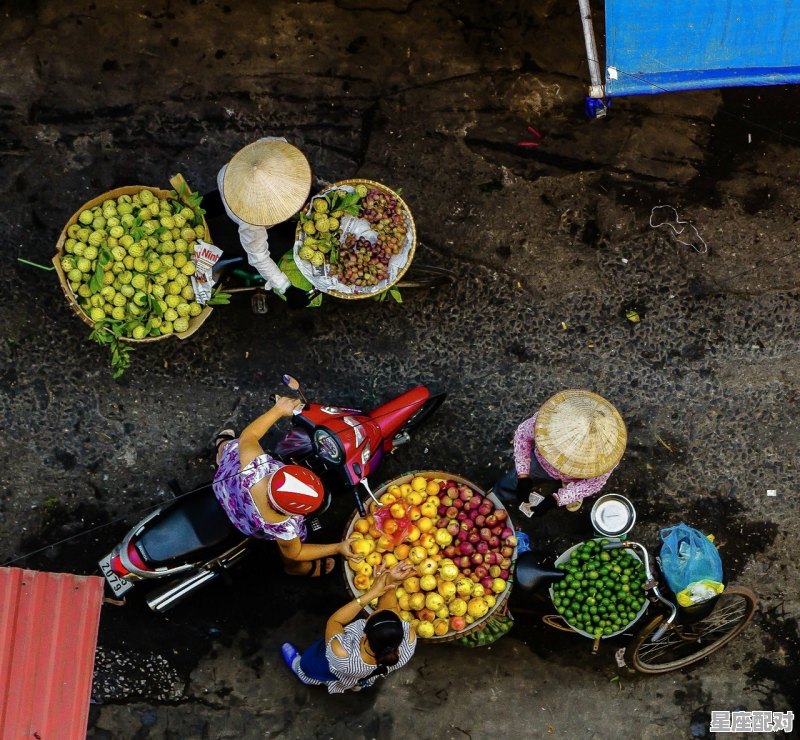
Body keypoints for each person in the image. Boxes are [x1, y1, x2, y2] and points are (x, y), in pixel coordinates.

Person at [212, 395, 358, 577]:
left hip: (225, 485)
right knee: (291, 557)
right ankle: (297, 570)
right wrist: (337, 547)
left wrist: (278, 410)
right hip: (245, 523)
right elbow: (296, 552)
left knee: (232, 449)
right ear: (293, 513)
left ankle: (221, 446)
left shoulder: (256, 469)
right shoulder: (285, 527)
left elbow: (248, 436)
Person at [203, 137, 313, 308]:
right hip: (235, 205)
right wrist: (285, 287)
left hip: (229, 177)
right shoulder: (251, 221)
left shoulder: (272, 148)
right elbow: (258, 257)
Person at [280, 562, 418, 693]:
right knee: (361, 678)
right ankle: (358, 684)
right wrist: (391, 583)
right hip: (365, 672)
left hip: (337, 668)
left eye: (374, 614)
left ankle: (299, 670)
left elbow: (335, 621)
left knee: (310, 667)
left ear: (364, 634)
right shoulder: (409, 639)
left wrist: (371, 594)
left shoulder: (343, 654)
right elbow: (390, 608)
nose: (380, 609)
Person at [495, 389, 627, 513]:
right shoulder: (546, 422)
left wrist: (558, 499)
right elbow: (522, 436)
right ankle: (497, 497)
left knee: (578, 487)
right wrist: (523, 475)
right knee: (512, 480)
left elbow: (593, 483)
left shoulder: (609, 455)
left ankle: (570, 487)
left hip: (578, 477)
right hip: (541, 463)